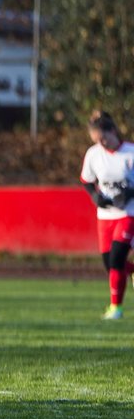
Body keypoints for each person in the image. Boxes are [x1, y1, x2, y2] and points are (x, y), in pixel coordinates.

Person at [79, 110, 134, 319]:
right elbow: (86, 180)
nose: (101, 144)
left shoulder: (130, 152)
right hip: (105, 216)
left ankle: (115, 308)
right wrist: (95, 197)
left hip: (129, 213)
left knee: (117, 257)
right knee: (110, 264)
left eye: (103, 138)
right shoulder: (93, 154)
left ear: (113, 131)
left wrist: (129, 193)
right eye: (96, 140)